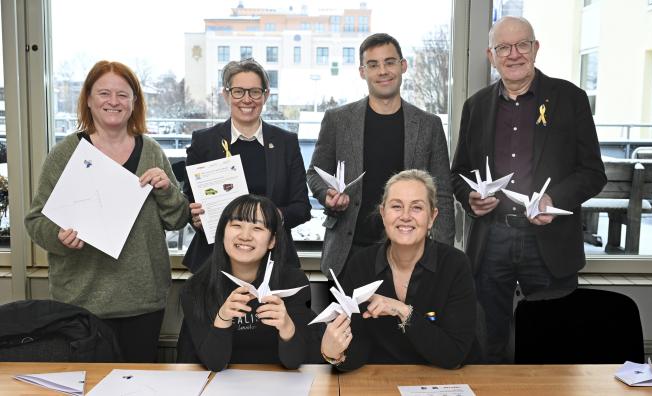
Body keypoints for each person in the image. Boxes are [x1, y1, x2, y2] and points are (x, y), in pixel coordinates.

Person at [450, 16, 607, 363]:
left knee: (554, 344)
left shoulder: (570, 98)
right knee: (488, 343)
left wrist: (556, 200)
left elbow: (594, 173)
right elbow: (458, 173)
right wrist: (470, 199)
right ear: (492, 56)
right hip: (491, 242)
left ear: (535, 48)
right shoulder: (475, 106)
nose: (514, 54)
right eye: (503, 47)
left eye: (522, 44)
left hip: (550, 242)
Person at [24, 60, 190, 362]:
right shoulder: (65, 154)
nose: (113, 102)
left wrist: (167, 191)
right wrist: (58, 236)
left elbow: (178, 219)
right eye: (103, 93)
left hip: (143, 301)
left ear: (134, 102)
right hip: (82, 301)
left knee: (140, 386)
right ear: (88, 99)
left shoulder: (152, 151)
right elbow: (35, 221)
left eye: (123, 95)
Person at [307, 33, 454, 278]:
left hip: (410, 251)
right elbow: (314, 173)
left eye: (390, 62)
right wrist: (327, 195)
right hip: (349, 251)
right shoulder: (338, 120)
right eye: (373, 65)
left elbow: (443, 195)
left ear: (403, 66)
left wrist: (443, 254)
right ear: (362, 72)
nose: (382, 71)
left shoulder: (428, 125)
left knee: (407, 318)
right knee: (349, 319)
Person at [319, 170, 476, 370]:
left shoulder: (455, 265)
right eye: (396, 206)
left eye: (417, 207)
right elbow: (357, 349)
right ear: (383, 213)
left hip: (442, 382)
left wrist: (402, 311)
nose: (405, 216)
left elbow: (453, 354)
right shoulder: (361, 264)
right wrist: (335, 354)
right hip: (382, 381)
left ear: (432, 217)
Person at [183, 58, 310, 273]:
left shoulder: (285, 143)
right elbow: (189, 200)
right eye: (238, 91)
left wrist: (269, 217)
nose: (247, 99)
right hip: (213, 261)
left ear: (266, 95)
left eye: (255, 92)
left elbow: (302, 208)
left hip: (273, 262)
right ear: (226, 95)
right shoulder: (204, 142)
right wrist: (193, 214)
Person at [177, 194, 321, 371]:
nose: (245, 236)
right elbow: (214, 364)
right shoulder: (196, 288)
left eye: (257, 228)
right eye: (236, 225)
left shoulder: (294, 283)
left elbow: (294, 362)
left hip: (277, 383)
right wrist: (223, 318)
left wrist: (286, 326)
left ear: (272, 240)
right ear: (222, 233)